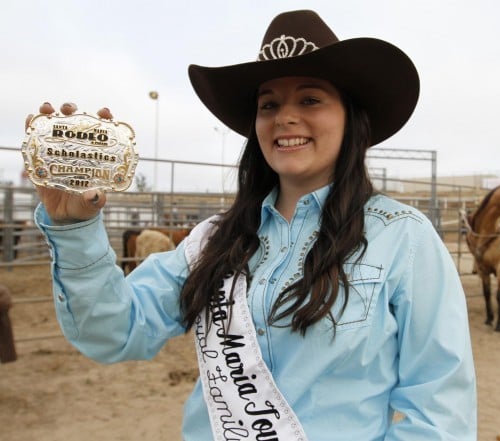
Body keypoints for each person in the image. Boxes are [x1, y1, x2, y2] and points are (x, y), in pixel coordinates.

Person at [29, 10, 476, 440]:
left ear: (349, 117)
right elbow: (113, 331)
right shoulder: (211, 242)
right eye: (268, 104)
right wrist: (74, 229)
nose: (284, 116)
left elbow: (440, 410)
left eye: (310, 99)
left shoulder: (403, 237)